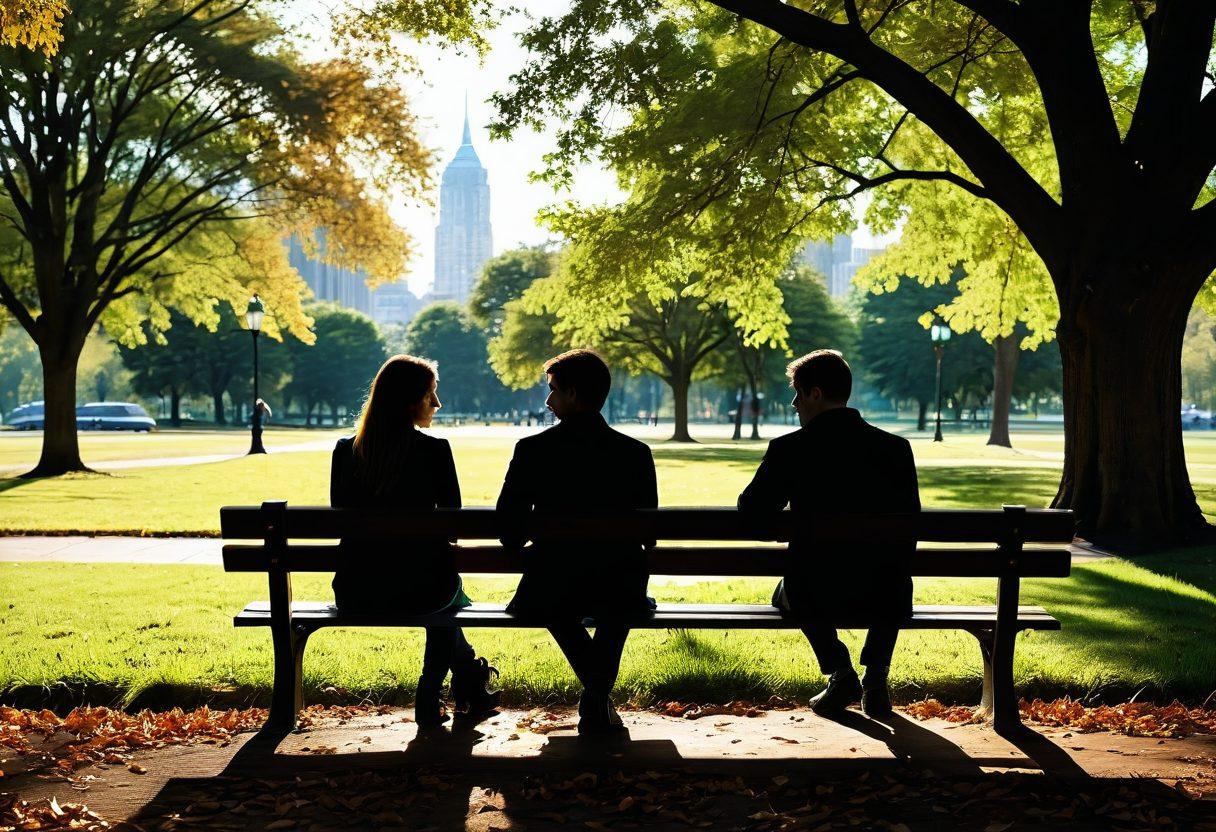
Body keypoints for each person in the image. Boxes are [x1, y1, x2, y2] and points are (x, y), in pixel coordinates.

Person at [738, 350, 920, 718]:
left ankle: (840, 670)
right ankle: (876, 678)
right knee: (895, 575)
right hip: (883, 592)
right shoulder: (895, 449)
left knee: (790, 588)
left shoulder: (791, 448)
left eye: (798, 394)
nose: (794, 404)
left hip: (816, 590)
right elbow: (909, 528)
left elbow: (752, 513)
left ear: (816, 394)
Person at [330, 354, 500, 728]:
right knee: (443, 603)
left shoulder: (346, 451)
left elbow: (341, 516)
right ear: (410, 401)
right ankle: (436, 692)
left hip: (358, 589)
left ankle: (469, 682)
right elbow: (453, 524)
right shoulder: (435, 450)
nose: (436, 404)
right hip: (425, 590)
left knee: (440, 597)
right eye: (430, 395)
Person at [497, 349, 658, 736]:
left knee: (554, 603)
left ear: (571, 394)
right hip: (620, 583)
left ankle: (597, 692)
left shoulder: (533, 450)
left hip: (551, 586)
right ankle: (597, 697)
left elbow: (510, 532)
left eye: (553, 390)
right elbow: (647, 537)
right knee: (618, 604)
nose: (548, 400)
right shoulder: (635, 453)